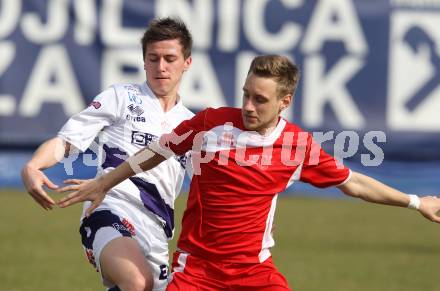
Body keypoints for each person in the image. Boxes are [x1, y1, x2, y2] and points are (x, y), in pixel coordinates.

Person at [56, 55, 440, 291]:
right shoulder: (210, 125)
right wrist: (104, 182)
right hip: (197, 271)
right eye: (245, 94)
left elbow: (353, 182)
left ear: (285, 102)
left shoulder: (297, 146)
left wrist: (414, 201)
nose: (248, 106)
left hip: (253, 273)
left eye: (260, 99)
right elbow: (157, 152)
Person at [21, 17, 194, 291]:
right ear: (144, 61)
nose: (161, 67)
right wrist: (32, 166)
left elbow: (213, 186)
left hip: (158, 231)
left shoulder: (191, 125)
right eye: (153, 58)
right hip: (109, 209)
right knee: (137, 282)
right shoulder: (122, 97)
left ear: (187, 62)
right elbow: (67, 142)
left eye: (170, 58)